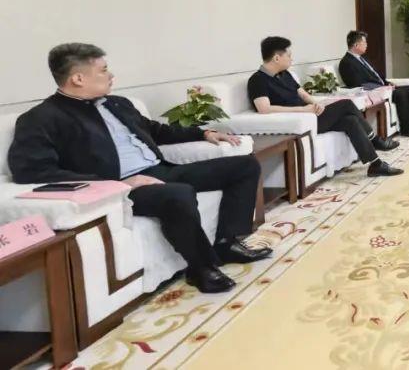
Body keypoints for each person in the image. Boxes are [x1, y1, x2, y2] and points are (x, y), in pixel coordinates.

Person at [8, 43, 270, 294]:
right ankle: (201, 267)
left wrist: (203, 133)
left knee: (244, 165)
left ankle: (226, 243)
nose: (111, 75)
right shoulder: (41, 118)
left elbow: (156, 131)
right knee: (178, 194)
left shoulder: (117, 103)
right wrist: (118, 185)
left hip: (160, 170)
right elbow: (31, 170)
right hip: (122, 188)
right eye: (103, 70)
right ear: (78, 78)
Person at [247, 36, 402, 177]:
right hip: (301, 119)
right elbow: (264, 109)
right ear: (276, 58)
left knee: (351, 121)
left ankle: (375, 164)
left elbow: (304, 95)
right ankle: (375, 139)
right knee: (346, 104)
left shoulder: (285, 74)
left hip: (311, 114)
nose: (291, 59)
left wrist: (316, 104)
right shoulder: (257, 80)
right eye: (288, 55)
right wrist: (303, 110)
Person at [338, 30, 409, 138]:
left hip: (383, 87)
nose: (366, 45)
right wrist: (383, 87)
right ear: (356, 45)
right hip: (375, 92)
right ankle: (407, 129)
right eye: (364, 43)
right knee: (401, 94)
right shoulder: (346, 63)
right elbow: (357, 84)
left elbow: (375, 75)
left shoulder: (362, 58)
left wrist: (387, 83)